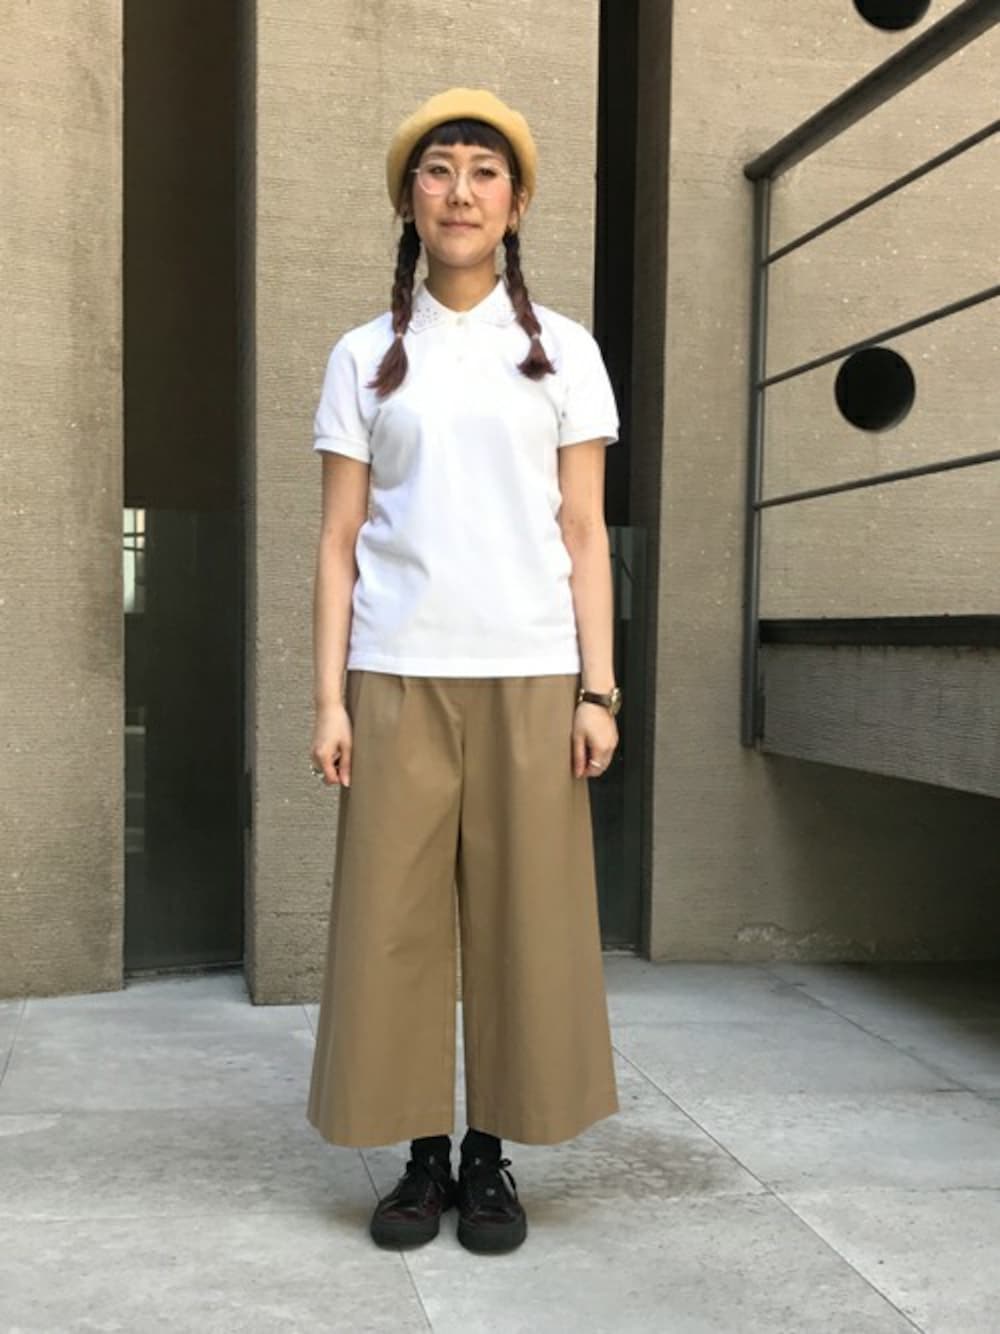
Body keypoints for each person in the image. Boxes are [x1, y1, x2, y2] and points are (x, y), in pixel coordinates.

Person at [306, 87, 623, 1256]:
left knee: (523, 923)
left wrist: (598, 689)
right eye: (437, 169)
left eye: (483, 172)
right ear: (409, 199)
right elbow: (338, 538)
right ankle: (420, 1156)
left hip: (533, 670)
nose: (459, 191)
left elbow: (583, 531)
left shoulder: (564, 352)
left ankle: (489, 1153)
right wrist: (329, 697)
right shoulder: (363, 356)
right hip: (396, 670)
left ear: (516, 203)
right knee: (388, 925)